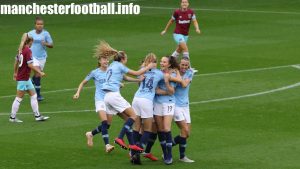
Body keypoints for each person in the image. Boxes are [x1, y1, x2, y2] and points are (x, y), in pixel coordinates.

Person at [98, 41, 156, 155]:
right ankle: (120, 138)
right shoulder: (120, 65)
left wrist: (138, 80)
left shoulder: (112, 65)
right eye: (127, 58)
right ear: (123, 59)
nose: (127, 60)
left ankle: (132, 144)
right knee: (133, 115)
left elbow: (125, 78)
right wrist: (148, 66)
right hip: (114, 96)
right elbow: (136, 72)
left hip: (107, 98)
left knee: (127, 120)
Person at [73, 54, 115, 153]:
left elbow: (115, 81)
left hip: (109, 100)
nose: (106, 61)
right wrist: (77, 93)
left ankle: (90, 134)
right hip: (99, 99)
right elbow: (83, 82)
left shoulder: (111, 70)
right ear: (99, 61)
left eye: (107, 59)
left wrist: (119, 84)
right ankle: (107, 145)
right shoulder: (94, 72)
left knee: (107, 125)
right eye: (104, 59)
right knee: (104, 122)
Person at [131, 53, 164, 162]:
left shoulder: (141, 70)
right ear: (155, 62)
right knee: (148, 129)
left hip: (136, 99)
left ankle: (133, 153)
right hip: (147, 101)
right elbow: (167, 79)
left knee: (136, 128)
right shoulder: (159, 74)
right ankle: (139, 150)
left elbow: (139, 77)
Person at [10, 33, 49, 123]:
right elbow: (30, 64)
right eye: (32, 42)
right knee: (19, 98)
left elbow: (16, 61)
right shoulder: (28, 50)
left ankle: (37, 116)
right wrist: (40, 72)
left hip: (25, 78)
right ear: (30, 42)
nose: (32, 44)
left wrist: (15, 72)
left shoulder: (21, 49)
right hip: (23, 78)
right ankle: (12, 117)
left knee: (34, 95)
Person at [161, 0, 200, 72]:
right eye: (183, 2)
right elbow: (171, 21)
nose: (184, 3)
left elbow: (194, 21)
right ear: (181, 4)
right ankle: (189, 68)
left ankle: (168, 64)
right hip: (177, 34)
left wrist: (197, 28)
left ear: (188, 4)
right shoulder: (177, 12)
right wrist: (165, 30)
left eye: (186, 2)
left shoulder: (191, 12)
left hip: (185, 35)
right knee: (185, 49)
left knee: (179, 50)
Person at [154, 56, 180, 165]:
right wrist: (165, 91)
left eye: (164, 62)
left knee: (166, 128)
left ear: (169, 64)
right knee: (160, 129)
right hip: (157, 103)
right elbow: (155, 90)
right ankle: (164, 152)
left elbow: (172, 91)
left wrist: (167, 83)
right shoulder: (158, 73)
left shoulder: (172, 75)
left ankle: (169, 154)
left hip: (169, 102)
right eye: (161, 61)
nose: (161, 63)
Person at [173, 58, 195, 163]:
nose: (184, 67)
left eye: (186, 65)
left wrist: (178, 75)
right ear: (179, 64)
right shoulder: (173, 74)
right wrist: (177, 74)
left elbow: (184, 84)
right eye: (182, 65)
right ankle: (182, 157)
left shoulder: (190, 73)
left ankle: (167, 147)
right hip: (176, 106)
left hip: (186, 106)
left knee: (186, 134)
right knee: (184, 130)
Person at [28, 16, 54, 101]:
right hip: (32, 56)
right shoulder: (30, 33)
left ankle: (32, 81)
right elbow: (25, 43)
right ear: (35, 25)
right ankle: (38, 95)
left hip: (42, 57)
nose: (40, 25)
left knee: (37, 75)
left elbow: (51, 45)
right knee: (38, 74)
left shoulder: (46, 34)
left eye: (41, 24)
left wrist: (45, 43)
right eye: (38, 24)